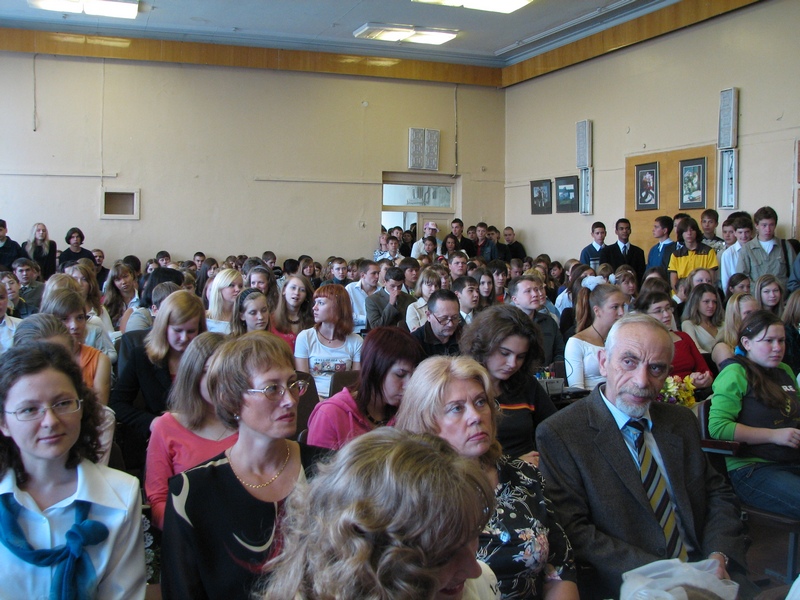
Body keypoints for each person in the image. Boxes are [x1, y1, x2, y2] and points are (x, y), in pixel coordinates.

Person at [536, 314, 747, 599]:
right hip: (629, 583)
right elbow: (575, 530)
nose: (642, 380)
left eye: (656, 368)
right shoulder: (562, 433)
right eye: (629, 361)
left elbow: (717, 493)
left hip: (708, 573)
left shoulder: (680, 421)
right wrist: (669, 575)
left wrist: (718, 555)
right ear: (603, 362)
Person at [395, 356, 578, 599]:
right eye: (457, 408)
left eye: (481, 402)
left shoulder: (524, 475)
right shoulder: (411, 492)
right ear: (426, 422)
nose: (476, 416)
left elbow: (561, 568)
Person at [161, 332, 324, 600]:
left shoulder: (327, 470)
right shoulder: (191, 493)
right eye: (272, 388)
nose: (291, 400)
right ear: (230, 399)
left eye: (292, 384)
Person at [261, 428, 498, 600]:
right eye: (444, 555)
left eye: (473, 537)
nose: (473, 569)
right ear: (366, 560)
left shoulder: (479, 585)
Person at [0, 341, 145, 598]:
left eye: (63, 403)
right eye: (29, 409)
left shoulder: (121, 494)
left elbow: (123, 594)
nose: (50, 421)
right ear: (3, 423)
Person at [709, 310, 800, 519]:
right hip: (752, 469)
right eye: (768, 341)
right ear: (747, 343)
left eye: (781, 341)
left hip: (791, 459)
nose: (777, 348)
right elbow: (718, 428)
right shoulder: (735, 373)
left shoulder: (785, 370)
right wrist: (774, 435)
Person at [145, 332, 235, 529]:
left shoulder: (249, 423)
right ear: (192, 376)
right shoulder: (166, 427)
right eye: (207, 372)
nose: (219, 381)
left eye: (226, 372)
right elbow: (158, 501)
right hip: (189, 534)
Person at [109, 290, 206, 466]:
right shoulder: (142, 357)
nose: (184, 338)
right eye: (177, 330)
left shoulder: (209, 358)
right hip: (161, 441)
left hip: (202, 435)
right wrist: (153, 422)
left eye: (191, 331)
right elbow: (117, 403)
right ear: (164, 327)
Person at [460, 304, 557, 466]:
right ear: (483, 346)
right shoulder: (460, 386)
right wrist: (513, 465)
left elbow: (556, 430)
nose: (512, 364)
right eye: (505, 353)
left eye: (521, 357)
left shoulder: (527, 385)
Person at [306, 326, 424, 450]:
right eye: (400, 375)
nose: (409, 385)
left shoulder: (407, 412)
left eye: (413, 375)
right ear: (374, 369)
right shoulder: (330, 415)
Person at [39, 289, 113, 406]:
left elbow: (99, 409)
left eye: (80, 318)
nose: (74, 326)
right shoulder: (38, 357)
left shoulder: (99, 360)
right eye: (64, 319)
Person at [295, 284, 362, 397]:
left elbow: (355, 384)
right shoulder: (305, 337)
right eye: (315, 302)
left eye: (321, 303)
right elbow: (303, 383)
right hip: (312, 399)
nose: (314, 307)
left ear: (337, 306)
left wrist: (335, 402)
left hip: (342, 399)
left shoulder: (356, 341)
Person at [634, 291, 712, 388]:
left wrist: (703, 379)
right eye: (658, 311)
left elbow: (706, 372)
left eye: (668, 308)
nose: (667, 314)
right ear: (645, 316)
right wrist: (688, 385)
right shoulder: (641, 345)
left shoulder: (683, 337)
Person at [564, 283, 625, 389]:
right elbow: (576, 389)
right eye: (615, 307)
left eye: (623, 306)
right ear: (597, 311)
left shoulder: (622, 340)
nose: (621, 312)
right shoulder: (575, 343)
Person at [509, 275, 564, 366]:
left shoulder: (549, 321)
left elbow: (560, 350)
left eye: (536, 289)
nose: (535, 294)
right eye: (528, 291)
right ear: (515, 299)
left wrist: (554, 366)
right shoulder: (506, 323)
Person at [739, 206, 795, 291]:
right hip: (756, 295)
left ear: (775, 225)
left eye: (771, 225)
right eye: (764, 225)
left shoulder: (785, 246)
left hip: (782, 295)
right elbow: (742, 277)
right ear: (756, 225)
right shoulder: (747, 248)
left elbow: (794, 274)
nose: (768, 229)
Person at [668, 217, 718, 290]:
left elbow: (711, 279)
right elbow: (673, 283)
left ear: (696, 232)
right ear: (681, 234)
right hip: (682, 292)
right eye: (685, 231)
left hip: (702, 291)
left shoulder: (708, 251)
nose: (689, 233)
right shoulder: (676, 255)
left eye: (691, 230)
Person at [711, 293, 758, 369]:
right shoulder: (722, 348)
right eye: (748, 313)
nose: (755, 317)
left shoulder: (759, 340)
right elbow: (732, 375)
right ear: (734, 316)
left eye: (757, 313)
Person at [412, 289, 462, 357]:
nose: (450, 324)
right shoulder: (414, 342)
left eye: (455, 318)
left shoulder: (464, 335)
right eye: (443, 318)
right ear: (428, 315)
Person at [680, 283, 724, 354]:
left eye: (714, 302)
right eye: (706, 301)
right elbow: (696, 350)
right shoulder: (688, 324)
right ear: (696, 303)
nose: (711, 305)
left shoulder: (722, 323)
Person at [598, 218, 646, 283]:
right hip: (613, 286)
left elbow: (641, 275)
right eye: (621, 229)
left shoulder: (639, 252)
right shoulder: (606, 252)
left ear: (630, 231)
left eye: (627, 228)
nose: (624, 231)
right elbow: (603, 273)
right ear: (616, 231)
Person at [345, 259, 380, 335]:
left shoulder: (382, 290)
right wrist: (369, 319)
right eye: (374, 273)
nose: (377, 276)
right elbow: (346, 315)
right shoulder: (350, 288)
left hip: (377, 332)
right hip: (355, 332)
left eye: (378, 273)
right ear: (363, 275)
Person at [720, 215, 753, 292]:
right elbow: (726, 281)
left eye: (747, 232)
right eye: (740, 232)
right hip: (736, 294)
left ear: (751, 232)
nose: (744, 236)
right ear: (735, 233)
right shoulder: (728, 254)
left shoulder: (756, 250)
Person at [205, 268, 243, 333]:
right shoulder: (205, 318)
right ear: (219, 288)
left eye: (240, 286)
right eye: (231, 285)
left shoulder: (243, 316)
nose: (238, 289)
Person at [102, 261, 138, 330]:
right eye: (118, 280)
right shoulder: (109, 302)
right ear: (113, 283)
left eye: (126, 276)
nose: (123, 282)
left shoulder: (142, 298)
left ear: (132, 275)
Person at [406, 267, 441, 332]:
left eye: (436, 286)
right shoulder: (413, 308)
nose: (434, 289)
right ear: (421, 286)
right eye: (429, 285)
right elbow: (416, 334)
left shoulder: (442, 305)